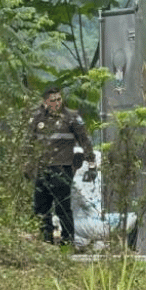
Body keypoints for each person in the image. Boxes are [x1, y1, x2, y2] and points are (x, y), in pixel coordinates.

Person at [25, 85, 97, 245]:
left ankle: (67, 241)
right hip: (43, 168)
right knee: (40, 207)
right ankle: (46, 240)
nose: (57, 103)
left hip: (63, 168)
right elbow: (29, 143)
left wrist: (92, 164)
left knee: (62, 207)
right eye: (53, 100)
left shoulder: (71, 117)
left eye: (59, 99)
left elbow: (85, 141)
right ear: (45, 102)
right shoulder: (38, 118)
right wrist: (26, 165)